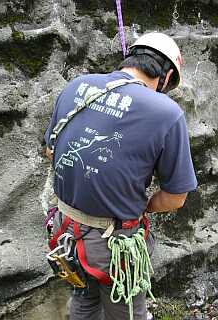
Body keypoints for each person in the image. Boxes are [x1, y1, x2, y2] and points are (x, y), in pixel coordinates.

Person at [44, 32, 197, 320]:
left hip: (64, 230)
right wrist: (144, 206)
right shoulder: (166, 112)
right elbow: (176, 198)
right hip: (113, 244)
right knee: (126, 310)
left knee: (84, 300)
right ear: (164, 77)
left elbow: (51, 151)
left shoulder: (77, 85)